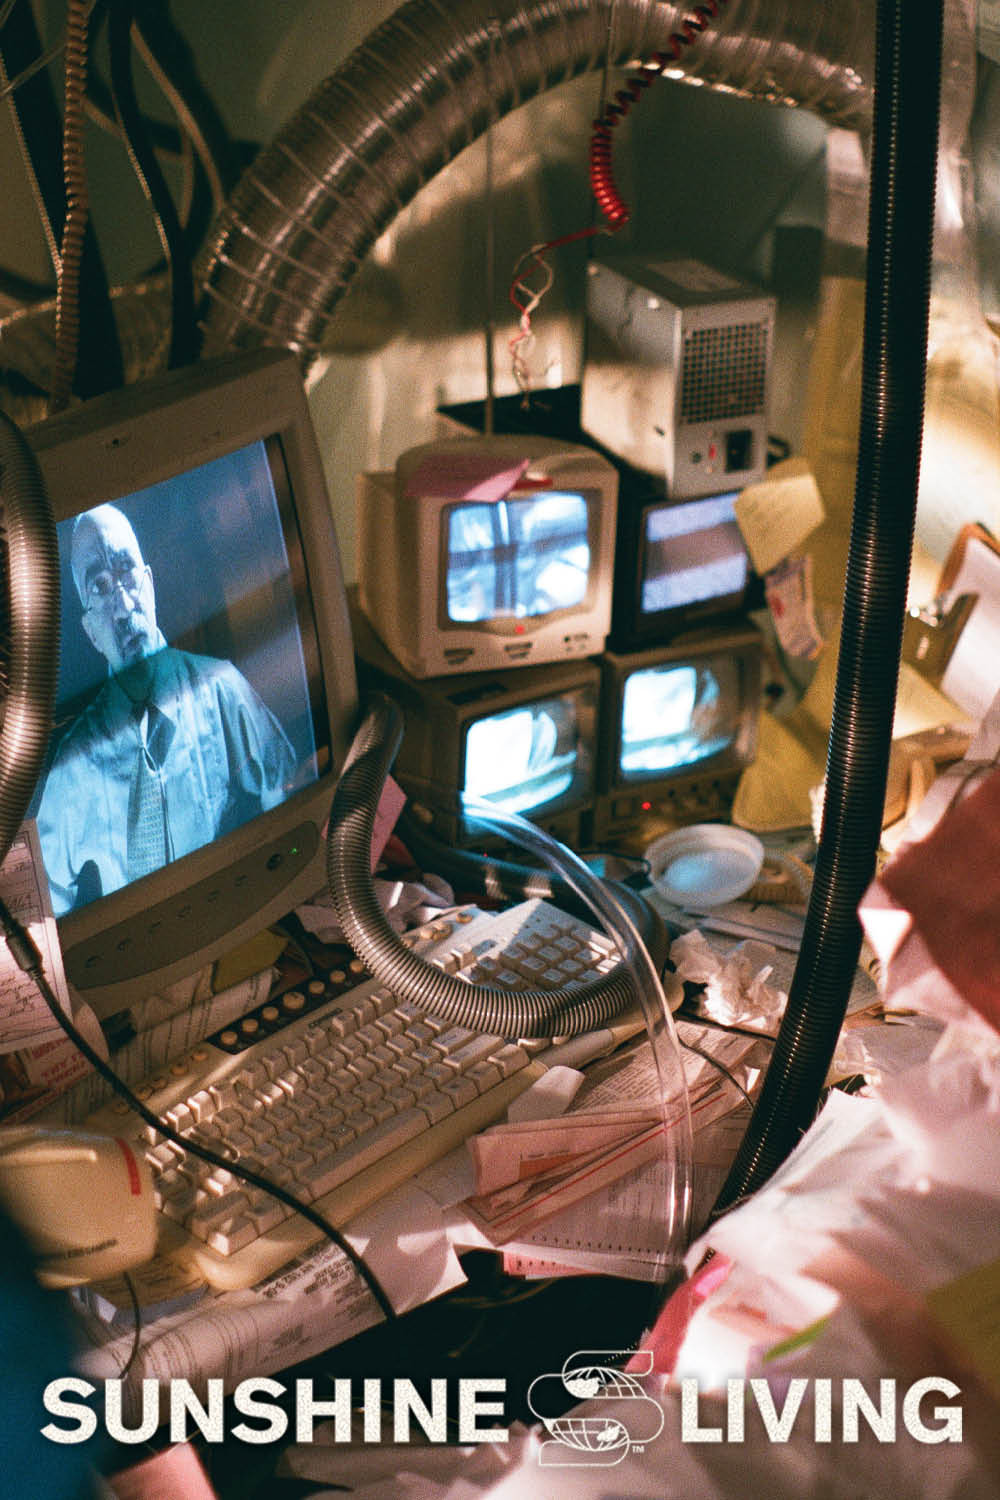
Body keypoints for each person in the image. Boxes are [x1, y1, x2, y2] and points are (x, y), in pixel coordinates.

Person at [37, 503, 297, 916]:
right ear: (90, 631)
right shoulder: (74, 766)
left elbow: (286, 802)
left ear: (150, 584)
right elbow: (42, 908)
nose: (123, 605)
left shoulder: (222, 688)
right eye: (99, 587)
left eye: (126, 571)